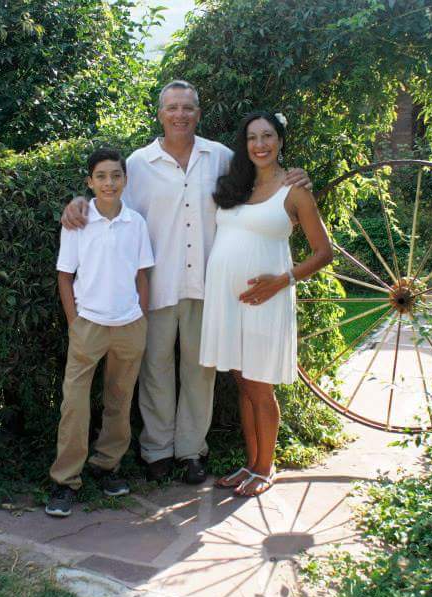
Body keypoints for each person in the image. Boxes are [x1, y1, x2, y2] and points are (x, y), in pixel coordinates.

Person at [61, 81, 312, 484]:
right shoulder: (139, 163)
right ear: (160, 114)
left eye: (187, 108)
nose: (180, 115)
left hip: (208, 285)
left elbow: (263, 182)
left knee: (200, 372)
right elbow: (110, 200)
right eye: (172, 108)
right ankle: (157, 450)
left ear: (198, 113)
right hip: (155, 284)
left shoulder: (221, 157)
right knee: (155, 370)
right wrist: (78, 204)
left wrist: (297, 177)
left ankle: (191, 451)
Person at [200, 111, 333, 497]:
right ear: (244, 145)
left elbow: (323, 253)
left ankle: (265, 467)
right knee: (243, 384)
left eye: (268, 136)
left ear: (280, 140)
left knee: (259, 387)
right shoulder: (235, 186)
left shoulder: (294, 190)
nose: (260, 144)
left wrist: (281, 280)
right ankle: (251, 463)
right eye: (252, 138)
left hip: (266, 300)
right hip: (228, 301)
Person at [46, 148, 154, 517]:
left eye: (116, 175)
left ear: (125, 179)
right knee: (74, 405)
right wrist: (74, 322)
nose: (109, 183)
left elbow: (142, 275)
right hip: (88, 325)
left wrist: (141, 317)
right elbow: (65, 276)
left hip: (129, 325)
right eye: (102, 176)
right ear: (90, 182)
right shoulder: (77, 222)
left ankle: (108, 466)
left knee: (119, 401)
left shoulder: (136, 223)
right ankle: (65, 480)